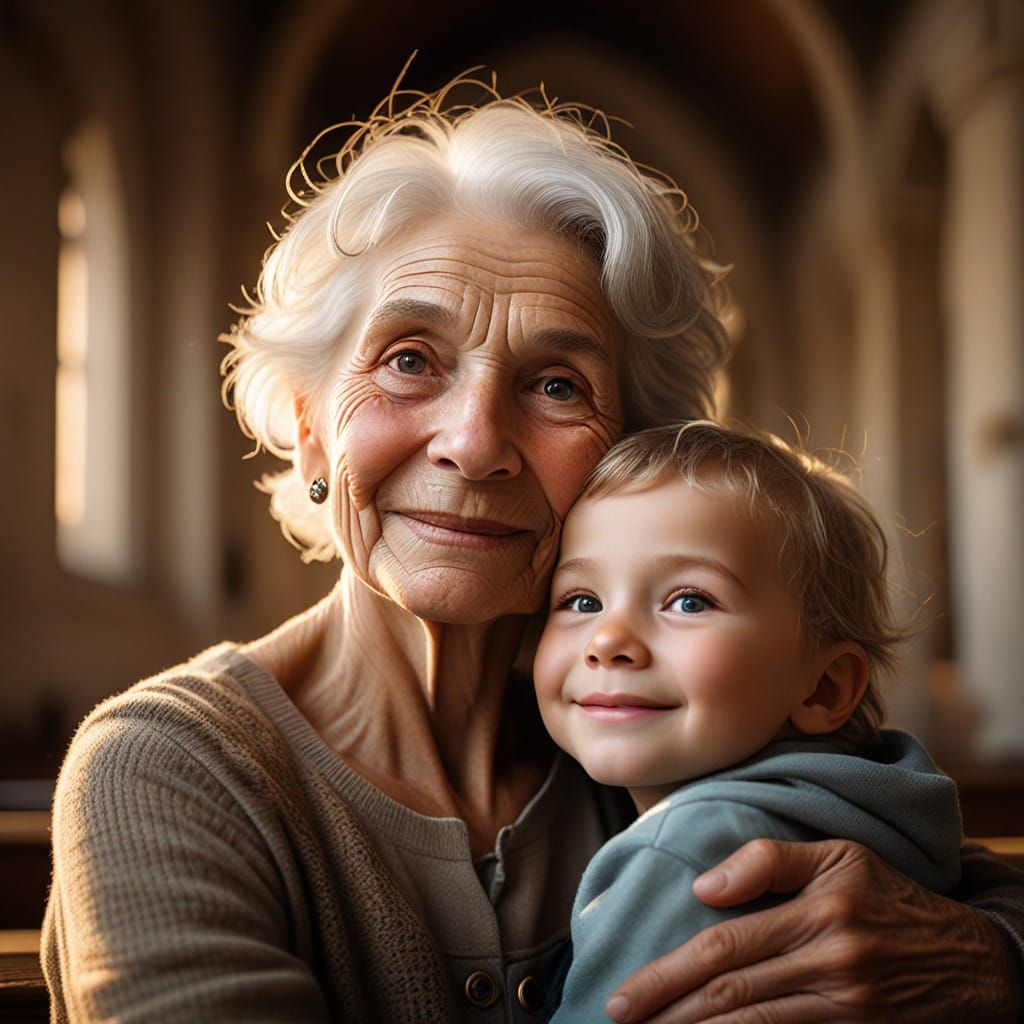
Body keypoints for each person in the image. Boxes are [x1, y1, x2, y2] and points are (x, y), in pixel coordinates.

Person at [41, 74, 1024, 1023]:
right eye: (409, 360)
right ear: (308, 428)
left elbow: (956, 882)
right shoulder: (168, 770)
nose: (472, 440)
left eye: (557, 384)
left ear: (626, 461)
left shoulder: (662, 719)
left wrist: (981, 959)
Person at [533, 420, 964, 1021]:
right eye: (582, 601)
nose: (608, 641)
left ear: (823, 686)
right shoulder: (900, 811)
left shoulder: (684, 851)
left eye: (689, 600)